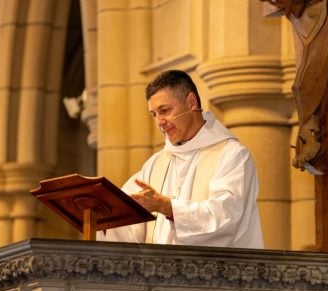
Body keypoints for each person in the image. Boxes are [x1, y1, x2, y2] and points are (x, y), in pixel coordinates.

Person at [97, 70, 264, 248]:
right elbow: (125, 217)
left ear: (191, 102)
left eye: (165, 111)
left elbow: (226, 217)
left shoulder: (232, 155)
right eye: (154, 114)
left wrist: (167, 207)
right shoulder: (155, 165)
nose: (159, 122)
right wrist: (100, 211)